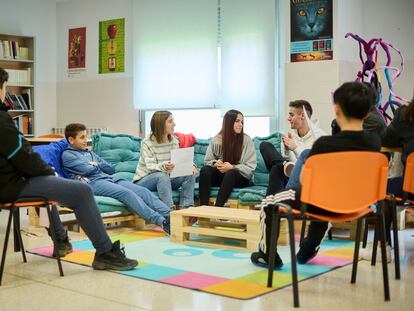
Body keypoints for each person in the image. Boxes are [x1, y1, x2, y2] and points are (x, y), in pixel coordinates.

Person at [0, 68, 137, 271]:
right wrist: (49, 172)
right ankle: (105, 252)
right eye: (5, 88)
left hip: (9, 182)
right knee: (81, 191)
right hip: (11, 186)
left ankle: (62, 241)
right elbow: (24, 156)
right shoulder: (2, 121)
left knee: (51, 187)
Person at [251, 81, 382, 269]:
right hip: (359, 204)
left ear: (337, 111)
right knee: (324, 200)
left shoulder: (324, 144)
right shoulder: (374, 143)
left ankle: (267, 254)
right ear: (367, 112)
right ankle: (308, 249)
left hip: (321, 201)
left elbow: (307, 180)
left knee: (268, 203)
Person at [61, 123, 171, 234]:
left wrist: (96, 164)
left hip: (109, 177)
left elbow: (110, 169)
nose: (86, 140)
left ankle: (170, 215)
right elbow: (88, 170)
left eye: (86, 136)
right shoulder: (68, 155)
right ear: (71, 139)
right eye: (82, 137)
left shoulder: (89, 152)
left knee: (143, 191)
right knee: (126, 193)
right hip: (93, 182)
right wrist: (97, 165)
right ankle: (162, 221)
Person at [260, 100, 326, 196]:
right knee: (265, 146)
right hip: (287, 173)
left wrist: (295, 148)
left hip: (303, 178)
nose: (288, 118)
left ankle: (270, 207)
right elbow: (286, 158)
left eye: (291, 115)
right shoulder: (291, 136)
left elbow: (314, 166)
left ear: (302, 116)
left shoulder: (320, 138)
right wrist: (286, 150)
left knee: (277, 168)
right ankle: (273, 207)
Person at [133, 111, 196, 210]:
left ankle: (186, 209)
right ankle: (168, 212)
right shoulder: (146, 142)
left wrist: (190, 165)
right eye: (170, 121)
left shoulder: (174, 140)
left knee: (190, 173)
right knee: (162, 175)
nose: (174, 124)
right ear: (160, 124)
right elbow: (150, 166)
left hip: (166, 178)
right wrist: (164, 166)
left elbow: (179, 159)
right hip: (144, 180)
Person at [198, 109, 257, 207]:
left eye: (242, 122)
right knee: (205, 170)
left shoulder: (246, 140)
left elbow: (250, 168)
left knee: (231, 173)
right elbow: (207, 161)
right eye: (237, 121)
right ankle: (203, 208)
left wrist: (233, 167)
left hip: (240, 177)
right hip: (222, 176)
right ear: (229, 122)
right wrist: (215, 163)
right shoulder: (217, 139)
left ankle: (218, 208)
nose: (240, 124)